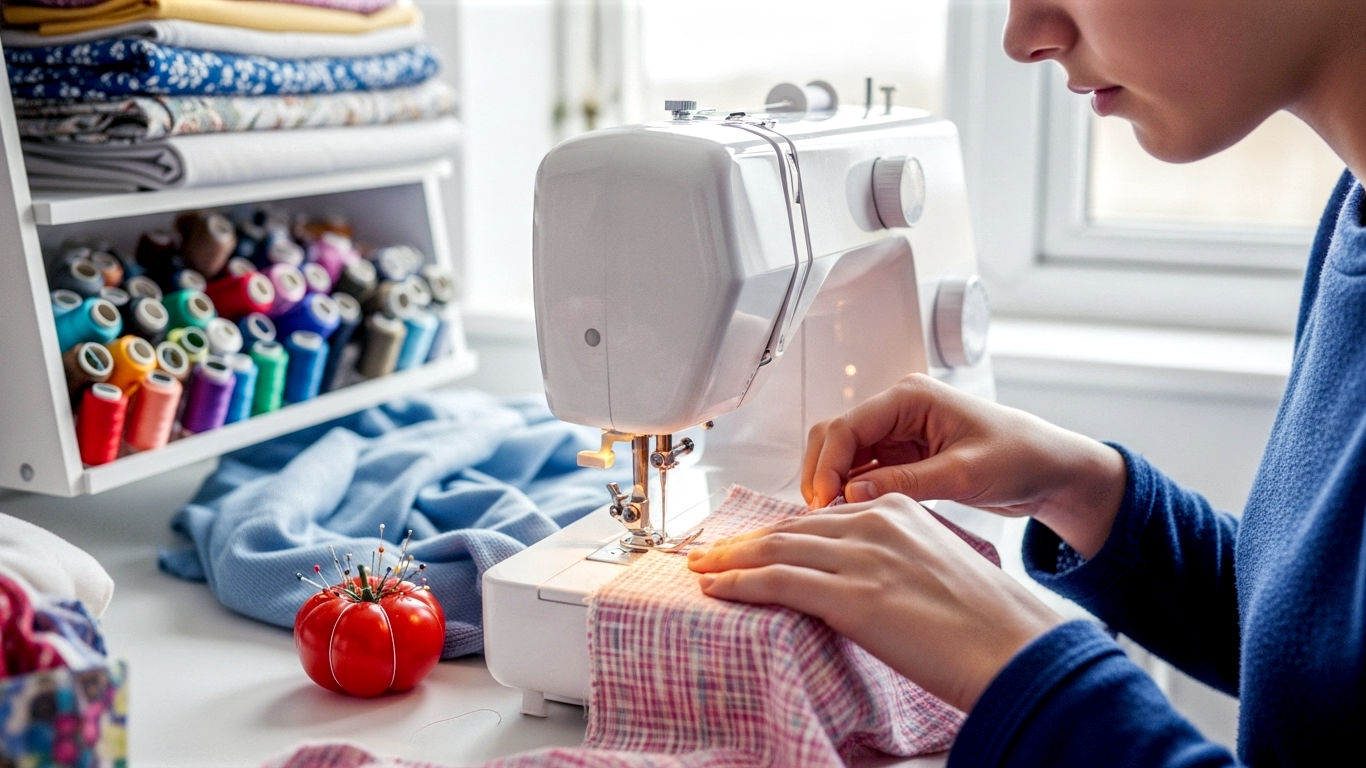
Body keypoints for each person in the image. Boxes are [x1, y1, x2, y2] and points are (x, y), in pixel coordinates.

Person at [686, 0, 1366, 764]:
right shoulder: (1357, 207)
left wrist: (1026, 669)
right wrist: (1089, 492)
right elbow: (1321, 663)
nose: (1023, 37)